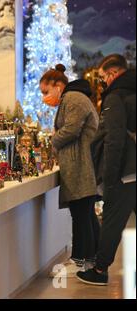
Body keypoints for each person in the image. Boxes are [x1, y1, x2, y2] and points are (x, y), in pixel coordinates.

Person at [77, 54, 136, 286]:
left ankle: (100, 270)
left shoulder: (116, 96)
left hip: (125, 171)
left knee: (112, 219)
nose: (101, 82)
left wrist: (110, 177)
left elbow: (114, 139)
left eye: (102, 77)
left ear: (113, 74)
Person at [40, 64, 100, 277]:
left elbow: (72, 129)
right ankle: (88, 260)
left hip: (80, 166)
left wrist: (51, 141)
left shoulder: (73, 98)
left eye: (46, 92)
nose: (45, 98)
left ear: (58, 86)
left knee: (82, 214)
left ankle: (83, 261)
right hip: (80, 164)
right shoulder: (74, 98)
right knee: (84, 214)